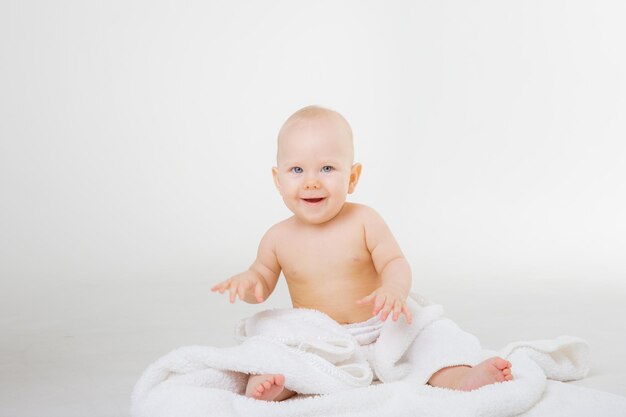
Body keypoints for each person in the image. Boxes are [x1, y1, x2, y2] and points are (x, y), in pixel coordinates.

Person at [211, 105, 512, 401]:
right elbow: (262, 284)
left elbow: (394, 261)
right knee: (276, 340)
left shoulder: (365, 221)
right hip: (319, 335)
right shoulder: (277, 237)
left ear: (352, 178)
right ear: (278, 180)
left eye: (327, 168)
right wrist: (249, 283)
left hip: (381, 325)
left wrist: (393, 288)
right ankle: (275, 381)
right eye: (297, 170)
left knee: (432, 336)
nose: (311, 181)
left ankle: (458, 376)